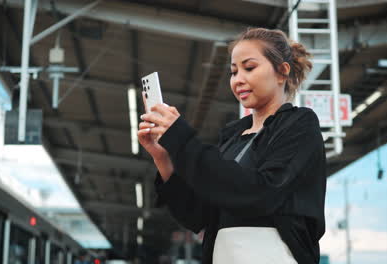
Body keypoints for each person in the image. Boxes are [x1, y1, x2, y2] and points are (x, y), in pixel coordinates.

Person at [138, 28, 326, 264]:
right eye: (233, 71)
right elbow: (198, 215)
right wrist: (163, 157)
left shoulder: (299, 124)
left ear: (282, 72)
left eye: (249, 68)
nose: (238, 79)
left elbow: (261, 192)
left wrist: (181, 137)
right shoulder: (231, 138)